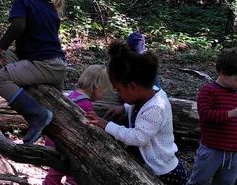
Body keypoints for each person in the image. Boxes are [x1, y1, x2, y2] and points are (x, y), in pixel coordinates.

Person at [0, 0, 67, 144]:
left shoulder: (23, 0)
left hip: (42, 63)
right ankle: (56, 142)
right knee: (61, 110)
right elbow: (39, 37)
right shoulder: (51, 8)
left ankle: (37, 116)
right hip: (58, 65)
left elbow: (18, 25)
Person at [88, 41, 187, 185]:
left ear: (132, 87)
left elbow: (138, 137)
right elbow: (139, 106)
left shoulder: (155, 108)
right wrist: (125, 108)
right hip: (151, 167)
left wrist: (106, 125)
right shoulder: (148, 93)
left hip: (164, 173)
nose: (119, 95)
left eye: (119, 90)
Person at [43, 65, 111, 185]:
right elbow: (88, 130)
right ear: (96, 87)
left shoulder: (73, 95)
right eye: (104, 91)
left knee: (55, 171)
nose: (104, 95)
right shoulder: (85, 104)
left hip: (53, 139)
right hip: (66, 145)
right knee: (75, 170)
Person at [187, 47, 237, 185]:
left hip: (234, 152)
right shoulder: (209, 91)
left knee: (226, 182)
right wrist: (231, 114)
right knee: (199, 180)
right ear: (223, 73)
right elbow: (205, 115)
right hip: (212, 149)